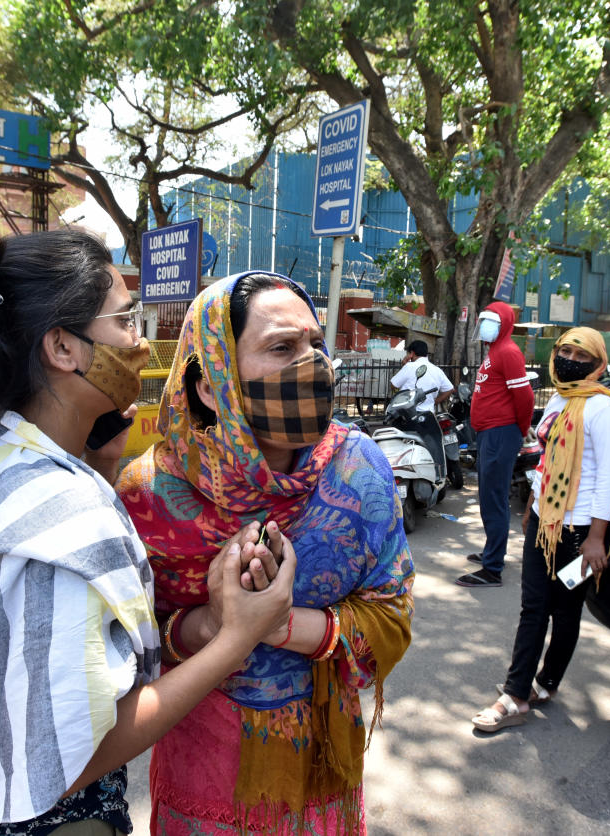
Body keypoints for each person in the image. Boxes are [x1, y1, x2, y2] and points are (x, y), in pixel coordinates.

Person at [0, 219, 294, 836]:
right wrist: (237, 637)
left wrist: (100, 464)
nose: (140, 342)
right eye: (125, 321)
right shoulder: (64, 507)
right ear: (63, 349)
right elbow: (80, 750)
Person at [117, 271, 415, 835]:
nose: (314, 364)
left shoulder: (359, 470)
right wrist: (214, 625)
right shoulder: (147, 495)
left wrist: (275, 623)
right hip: (203, 777)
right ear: (211, 383)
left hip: (320, 773)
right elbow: (129, 658)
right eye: (282, 347)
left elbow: (391, 619)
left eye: (316, 346)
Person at [470, 327, 610, 732]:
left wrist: (596, 538)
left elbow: (608, 479)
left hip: (580, 532)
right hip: (546, 520)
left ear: (597, 363)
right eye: (565, 349)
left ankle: (546, 683)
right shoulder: (559, 397)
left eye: (581, 353)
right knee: (534, 608)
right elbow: (548, 459)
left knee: (566, 610)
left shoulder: (603, 410)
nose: (570, 358)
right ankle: (517, 694)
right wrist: (533, 509)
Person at [455, 302, 534, 588]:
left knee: (495, 498)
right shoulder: (495, 352)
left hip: (501, 433)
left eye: (491, 321)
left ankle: (492, 569)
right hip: (491, 433)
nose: (484, 326)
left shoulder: (509, 352)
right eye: (483, 320)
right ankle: (492, 552)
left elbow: (525, 398)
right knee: (488, 497)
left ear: (504, 324)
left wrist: (520, 429)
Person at [389, 339, 453, 412]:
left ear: (412, 353)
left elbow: (394, 385)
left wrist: (403, 366)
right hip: (429, 413)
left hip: (409, 413)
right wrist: (434, 402)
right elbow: (450, 389)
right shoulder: (437, 370)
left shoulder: (409, 366)